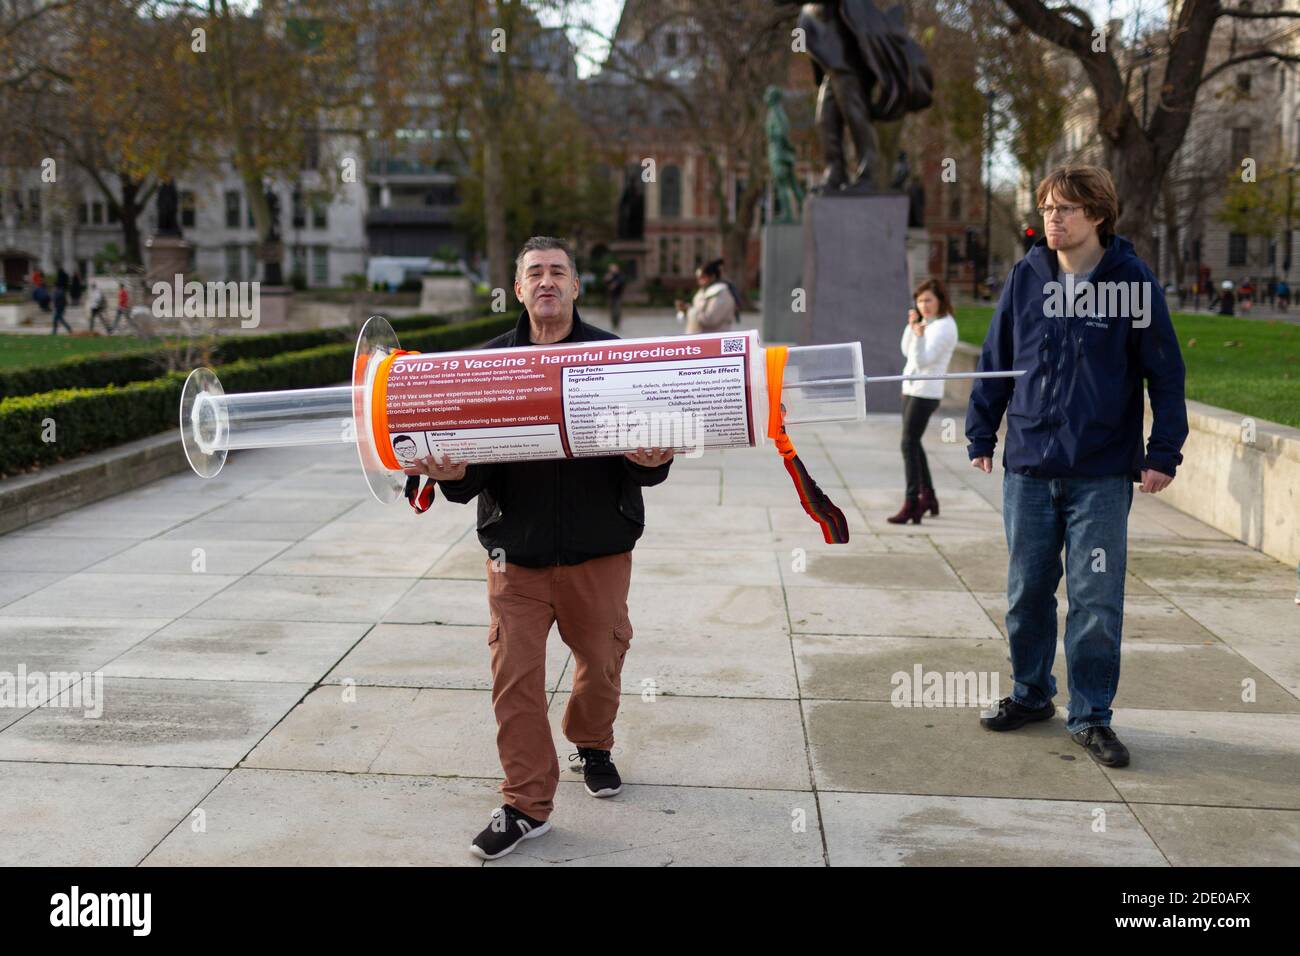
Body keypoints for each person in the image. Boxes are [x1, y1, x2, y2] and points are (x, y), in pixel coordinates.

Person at [403, 236, 674, 861]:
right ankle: (526, 805)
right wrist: (452, 475)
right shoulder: (483, 369)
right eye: (535, 273)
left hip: (597, 549)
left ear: (576, 287)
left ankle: (593, 742)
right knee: (514, 681)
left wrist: (652, 461)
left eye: (558, 271)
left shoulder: (615, 359)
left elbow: (646, 457)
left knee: (601, 662)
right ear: (519, 289)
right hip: (514, 556)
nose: (547, 281)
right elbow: (472, 473)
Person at [966, 164, 1188, 769]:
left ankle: (1091, 717)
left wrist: (1163, 450)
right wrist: (981, 429)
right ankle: (1031, 693)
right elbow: (996, 358)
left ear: (1097, 214)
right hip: (1030, 466)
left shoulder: (1132, 283)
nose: (1052, 220)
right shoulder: (1027, 275)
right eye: (1046, 209)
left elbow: (1165, 374)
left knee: (1095, 599)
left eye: (1064, 209)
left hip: (1100, 473)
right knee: (1027, 592)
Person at [887, 277, 958, 524]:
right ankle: (928, 496)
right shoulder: (928, 322)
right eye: (919, 301)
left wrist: (918, 336)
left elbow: (924, 360)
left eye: (929, 300)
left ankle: (912, 502)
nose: (924, 305)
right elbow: (906, 351)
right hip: (911, 388)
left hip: (926, 392)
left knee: (908, 444)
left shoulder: (945, 326)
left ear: (940, 300)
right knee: (914, 443)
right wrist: (912, 328)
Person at [675, 259, 737, 334]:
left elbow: (711, 320)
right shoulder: (702, 292)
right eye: (698, 278)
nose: (699, 281)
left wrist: (689, 310)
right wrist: (686, 310)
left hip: (715, 340)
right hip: (700, 340)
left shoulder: (721, 294)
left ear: (712, 277)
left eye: (702, 277)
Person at [603, 262, 625, 330]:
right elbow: (606, 283)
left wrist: (615, 284)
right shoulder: (610, 275)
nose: (611, 269)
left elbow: (621, 281)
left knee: (617, 310)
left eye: (613, 267)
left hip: (618, 295)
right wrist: (607, 279)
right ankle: (614, 324)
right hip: (611, 296)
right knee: (612, 310)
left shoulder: (619, 275)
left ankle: (617, 323)